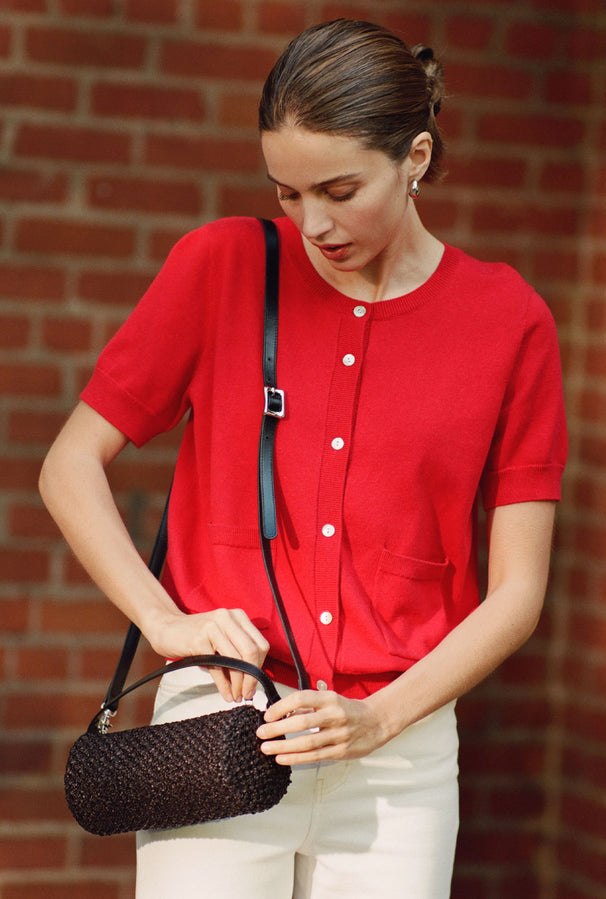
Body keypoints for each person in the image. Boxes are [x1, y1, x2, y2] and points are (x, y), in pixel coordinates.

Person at [39, 19, 567, 899]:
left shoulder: (510, 323)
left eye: (339, 189)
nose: (313, 222)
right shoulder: (220, 268)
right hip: (219, 726)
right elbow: (69, 464)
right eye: (286, 192)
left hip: (399, 759)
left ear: (416, 157)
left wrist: (380, 718)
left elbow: (517, 591)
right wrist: (164, 621)